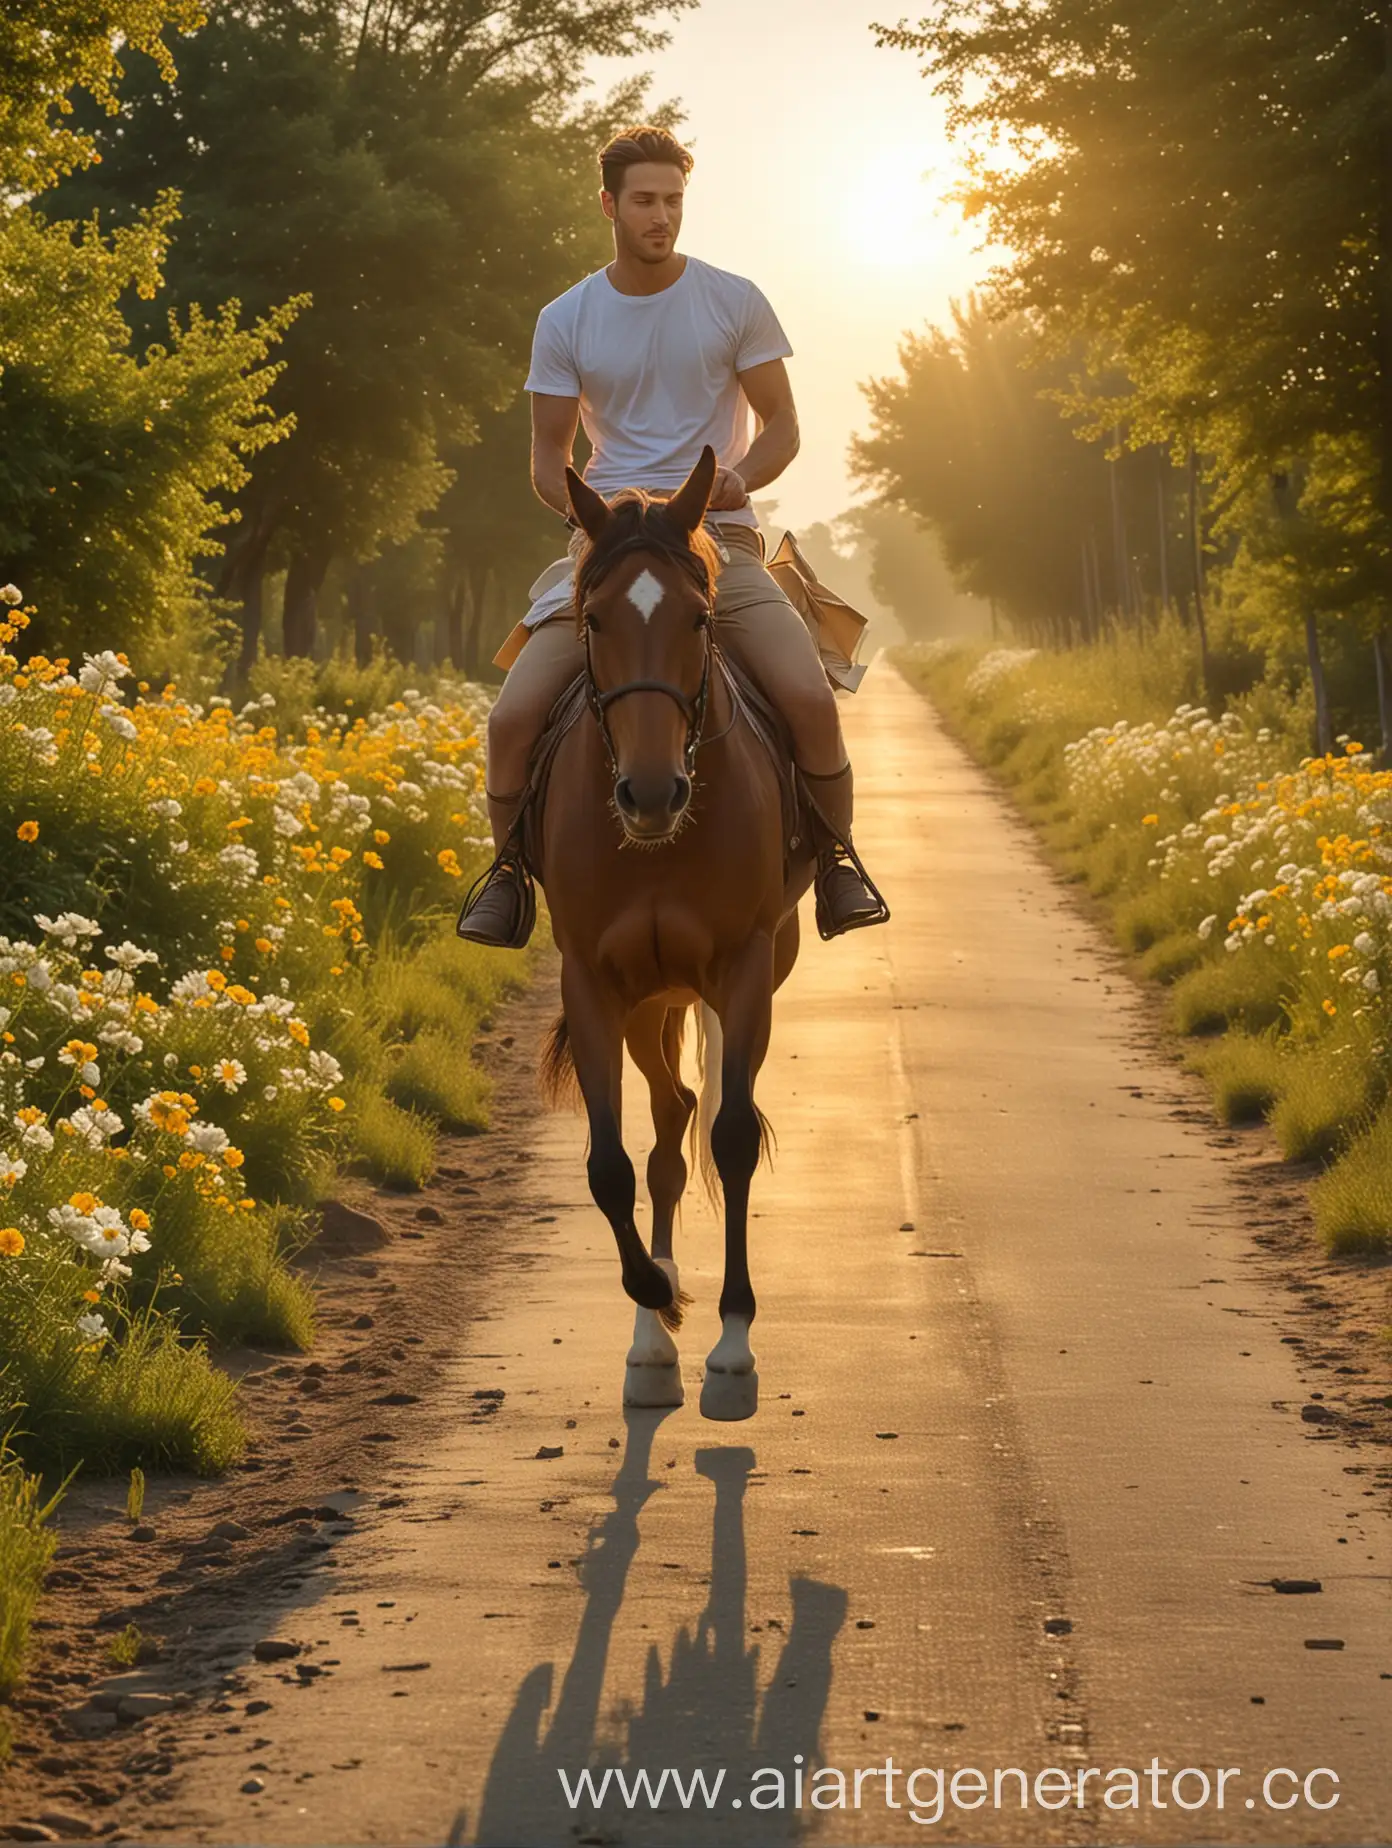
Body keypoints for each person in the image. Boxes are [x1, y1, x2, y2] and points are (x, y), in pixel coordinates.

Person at [457, 123, 886, 947]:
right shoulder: (566, 317)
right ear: (610, 204)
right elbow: (550, 461)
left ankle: (837, 866)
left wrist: (741, 476)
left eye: (674, 201)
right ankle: (508, 879)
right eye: (646, 201)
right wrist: (594, 520)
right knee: (511, 721)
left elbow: (784, 426)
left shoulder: (734, 300)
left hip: (715, 541)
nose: (662, 217)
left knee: (806, 699)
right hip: (611, 552)